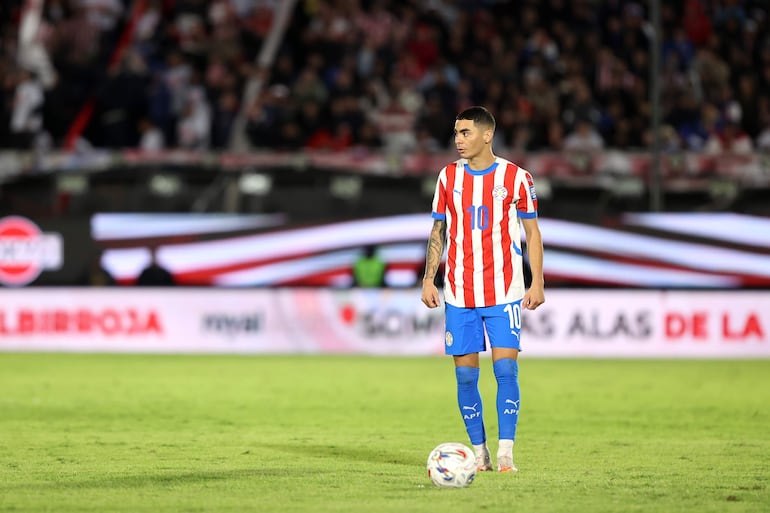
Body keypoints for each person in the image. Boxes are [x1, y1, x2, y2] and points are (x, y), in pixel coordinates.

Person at [421, 106, 545, 473]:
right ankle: (480, 453)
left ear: (487, 135)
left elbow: (532, 233)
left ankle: (506, 452)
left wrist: (537, 281)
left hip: (504, 290)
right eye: (456, 133)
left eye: (466, 133)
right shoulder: (447, 177)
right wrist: (429, 278)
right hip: (459, 292)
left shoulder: (516, 177)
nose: (458, 140)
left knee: (505, 371)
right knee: (465, 376)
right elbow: (438, 230)